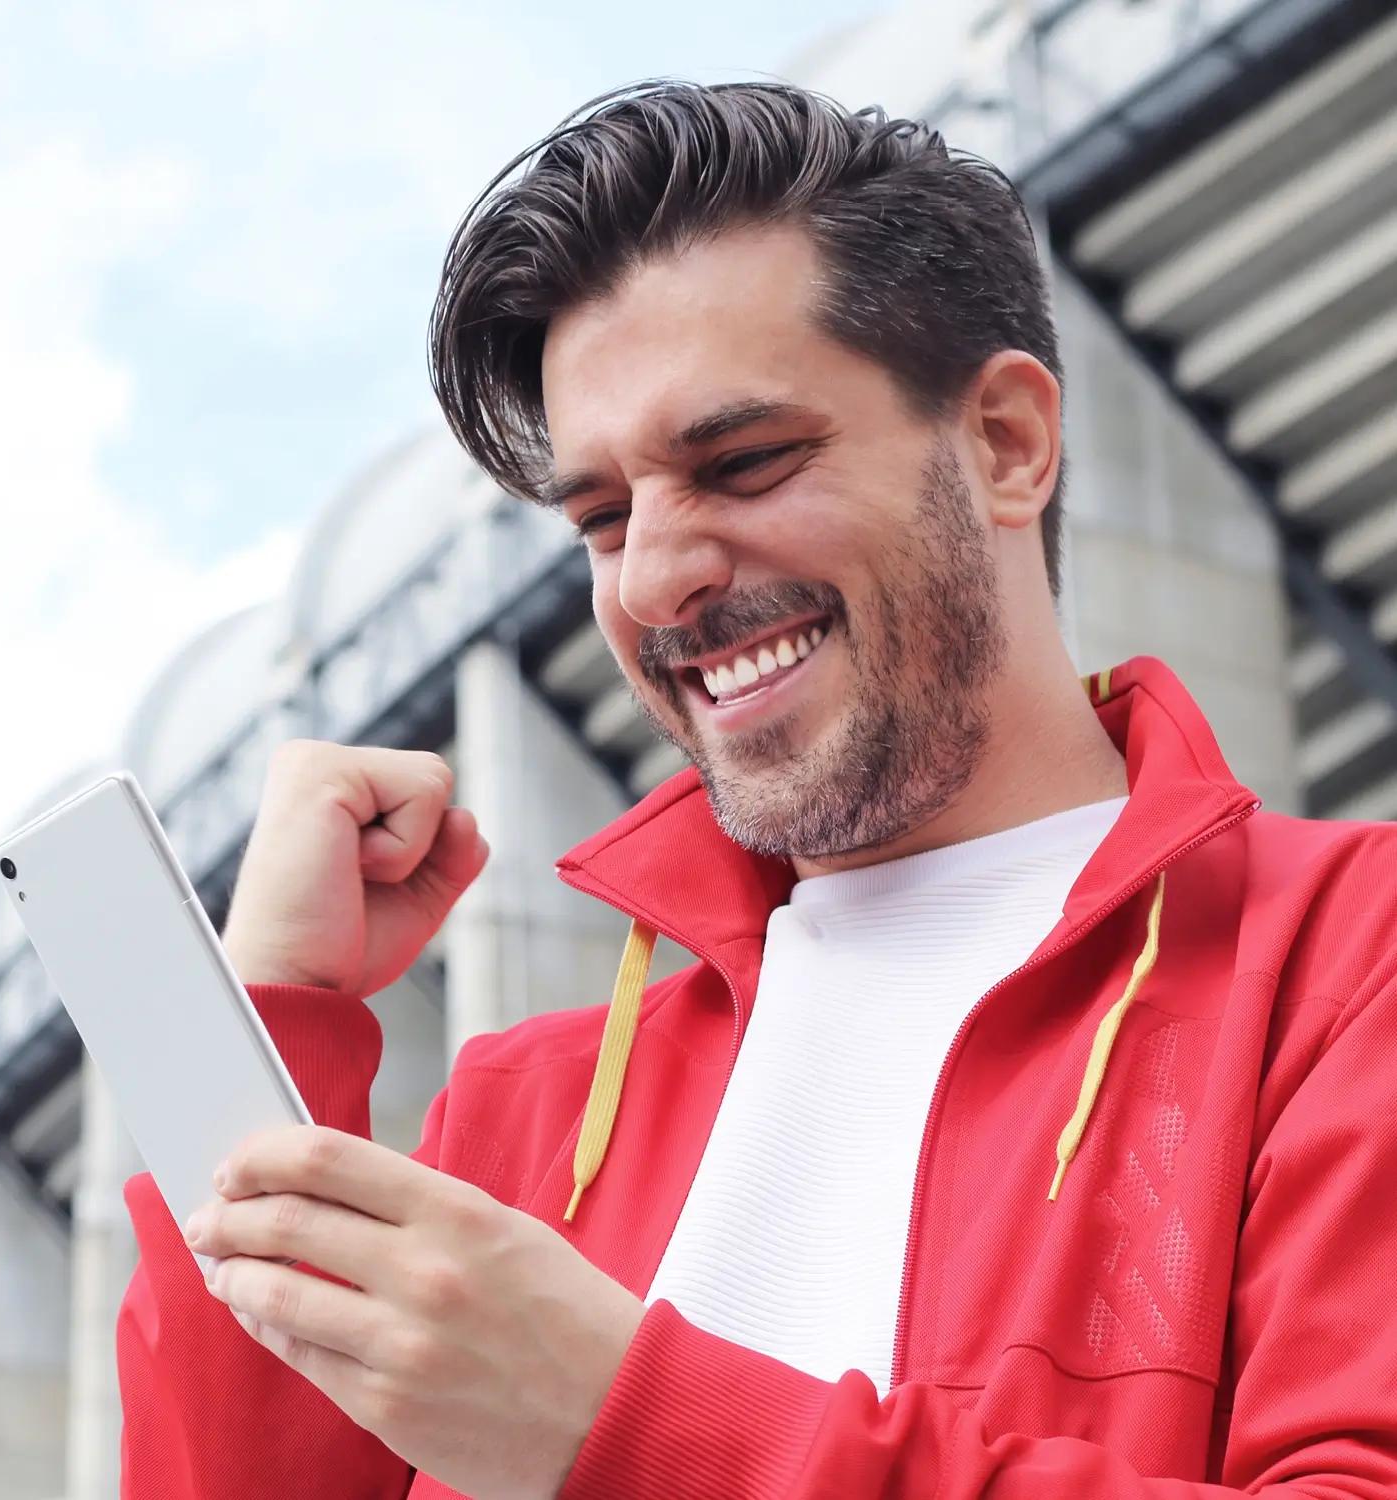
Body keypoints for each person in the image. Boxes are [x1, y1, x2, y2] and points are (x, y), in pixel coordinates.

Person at [117, 82, 1397, 1500]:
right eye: (602, 518)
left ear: (1006, 446)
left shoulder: (1346, 963)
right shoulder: (522, 1110)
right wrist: (264, 1027)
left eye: (743, 461)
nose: (654, 579)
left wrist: (628, 1423)